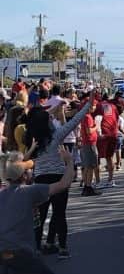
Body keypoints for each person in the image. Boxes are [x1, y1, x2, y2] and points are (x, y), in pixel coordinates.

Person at [24, 99, 93, 259]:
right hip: (58, 177)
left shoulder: (32, 138)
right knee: (60, 213)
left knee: (40, 216)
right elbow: (75, 120)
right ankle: (62, 247)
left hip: (40, 179)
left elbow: (38, 118)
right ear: (47, 122)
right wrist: (88, 104)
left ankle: (37, 247)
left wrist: (48, 111)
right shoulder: (56, 136)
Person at [0, 149, 74, 274]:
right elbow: (64, 183)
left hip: (2, 249)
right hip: (20, 251)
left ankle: (6, 272)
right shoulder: (30, 191)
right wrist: (69, 161)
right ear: (24, 175)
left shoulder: (2, 194)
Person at [94, 92, 120, 188]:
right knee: (109, 158)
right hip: (112, 134)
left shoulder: (97, 106)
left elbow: (94, 120)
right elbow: (117, 118)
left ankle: (98, 181)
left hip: (101, 135)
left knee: (97, 159)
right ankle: (111, 180)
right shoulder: (113, 106)